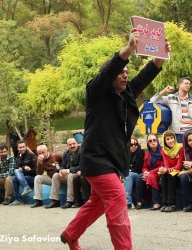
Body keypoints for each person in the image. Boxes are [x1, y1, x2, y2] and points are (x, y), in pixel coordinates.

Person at [60, 28, 171, 250]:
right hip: (96, 159)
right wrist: (129, 49)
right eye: (121, 71)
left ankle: (70, 234)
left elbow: (144, 77)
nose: (125, 73)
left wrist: (159, 59)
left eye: (127, 71)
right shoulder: (96, 92)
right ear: (110, 75)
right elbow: (110, 69)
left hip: (113, 162)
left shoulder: (126, 94)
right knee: (118, 199)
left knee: (99, 203)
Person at [150, 77, 191, 142]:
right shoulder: (171, 98)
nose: (188, 85)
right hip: (178, 134)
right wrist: (164, 91)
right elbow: (153, 100)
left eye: (189, 84)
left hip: (190, 133)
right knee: (179, 152)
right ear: (179, 85)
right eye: (186, 83)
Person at [45, 138, 81, 209]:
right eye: (70, 144)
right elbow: (62, 165)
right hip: (69, 174)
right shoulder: (66, 153)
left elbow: (81, 166)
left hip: (78, 175)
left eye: (74, 143)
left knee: (70, 175)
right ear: (67, 146)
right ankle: (55, 200)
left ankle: (70, 201)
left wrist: (67, 171)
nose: (72, 146)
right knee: (56, 175)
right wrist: (61, 171)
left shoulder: (81, 152)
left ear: (77, 143)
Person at [136, 133, 164, 210]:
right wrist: (145, 172)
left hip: (159, 173)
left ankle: (156, 203)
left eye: (154, 140)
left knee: (151, 177)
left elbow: (162, 165)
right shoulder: (147, 154)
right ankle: (139, 202)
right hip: (149, 173)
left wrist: (149, 173)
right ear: (148, 143)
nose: (152, 142)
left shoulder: (162, 152)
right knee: (139, 177)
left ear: (158, 141)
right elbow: (144, 166)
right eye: (150, 141)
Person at [159, 130, 184, 212]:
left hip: (180, 171)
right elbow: (167, 165)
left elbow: (179, 166)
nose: (170, 141)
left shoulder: (180, 147)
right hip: (171, 170)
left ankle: (172, 204)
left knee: (170, 174)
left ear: (175, 138)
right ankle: (165, 203)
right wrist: (164, 169)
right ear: (164, 141)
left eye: (172, 138)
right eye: (168, 139)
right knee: (164, 175)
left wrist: (167, 170)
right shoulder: (163, 150)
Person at [9, 140, 37, 206]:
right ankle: (18, 199)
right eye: (20, 147)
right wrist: (23, 169)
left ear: (26, 147)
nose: (22, 149)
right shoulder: (19, 156)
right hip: (23, 177)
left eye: (23, 147)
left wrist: (25, 169)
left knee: (18, 172)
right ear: (17, 148)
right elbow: (17, 167)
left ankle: (26, 187)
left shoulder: (32, 156)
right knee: (14, 179)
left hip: (32, 178)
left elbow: (35, 170)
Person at [124, 137, 145, 209]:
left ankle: (128, 202)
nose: (134, 146)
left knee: (128, 176)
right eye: (131, 144)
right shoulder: (126, 154)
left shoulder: (140, 152)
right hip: (129, 173)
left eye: (135, 144)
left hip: (137, 174)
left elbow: (139, 168)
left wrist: (128, 171)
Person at [178, 129, 192, 212]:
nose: (191, 142)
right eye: (189, 140)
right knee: (183, 178)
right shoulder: (185, 151)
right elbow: (180, 164)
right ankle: (190, 204)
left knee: (184, 174)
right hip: (190, 173)